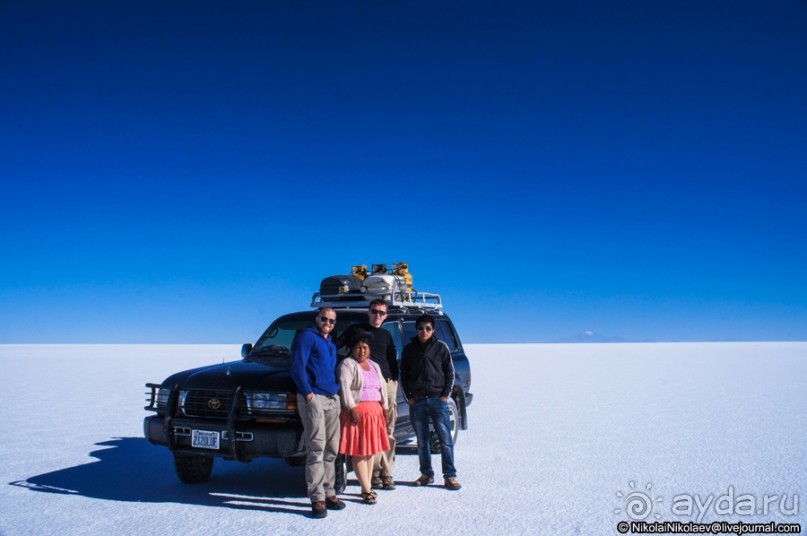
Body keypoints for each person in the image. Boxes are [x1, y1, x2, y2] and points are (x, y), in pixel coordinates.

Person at [290, 307, 346, 518]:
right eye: (324, 319)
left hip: (332, 398)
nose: (328, 323)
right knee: (316, 448)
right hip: (314, 399)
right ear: (317, 318)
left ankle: (329, 492)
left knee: (332, 449)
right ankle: (317, 498)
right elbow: (297, 367)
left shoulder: (329, 342)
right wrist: (309, 395)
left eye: (332, 321)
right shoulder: (307, 337)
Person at [342, 299, 399, 490]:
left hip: (385, 385)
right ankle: (373, 474)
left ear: (386, 316)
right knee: (371, 434)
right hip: (363, 388)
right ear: (369, 312)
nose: (378, 316)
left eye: (382, 313)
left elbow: (392, 358)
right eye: (374, 311)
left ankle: (387, 472)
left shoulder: (386, 334)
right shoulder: (358, 331)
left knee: (387, 430)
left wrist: (394, 379)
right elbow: (341, 346)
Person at [400, 313, 461, 490]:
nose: (424, 331)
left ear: (433, 330)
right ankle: (426, 474)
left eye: (427, 328)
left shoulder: (441, 348)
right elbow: (404, 375)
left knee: (445, 439)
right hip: (417, 401)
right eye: (420, 328)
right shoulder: (409, 349)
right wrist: (409, 398)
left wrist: (444, 396)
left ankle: (450, 476)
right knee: (422, 441)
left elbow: (450, 373)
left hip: (437, 400)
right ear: (416, 329)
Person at [337, 330, 390, 504]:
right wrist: (351, 408)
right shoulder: (347, 364)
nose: (362, 351)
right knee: (360, 451)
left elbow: (382, 387)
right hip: (357, 413)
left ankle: (366, 486)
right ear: (352, 349)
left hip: (374, 413)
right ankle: (367, 490)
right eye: (358, 347)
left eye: (365, 347)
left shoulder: (374, 365)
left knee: (370, 452)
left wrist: (385, 408)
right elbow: (344, 387)